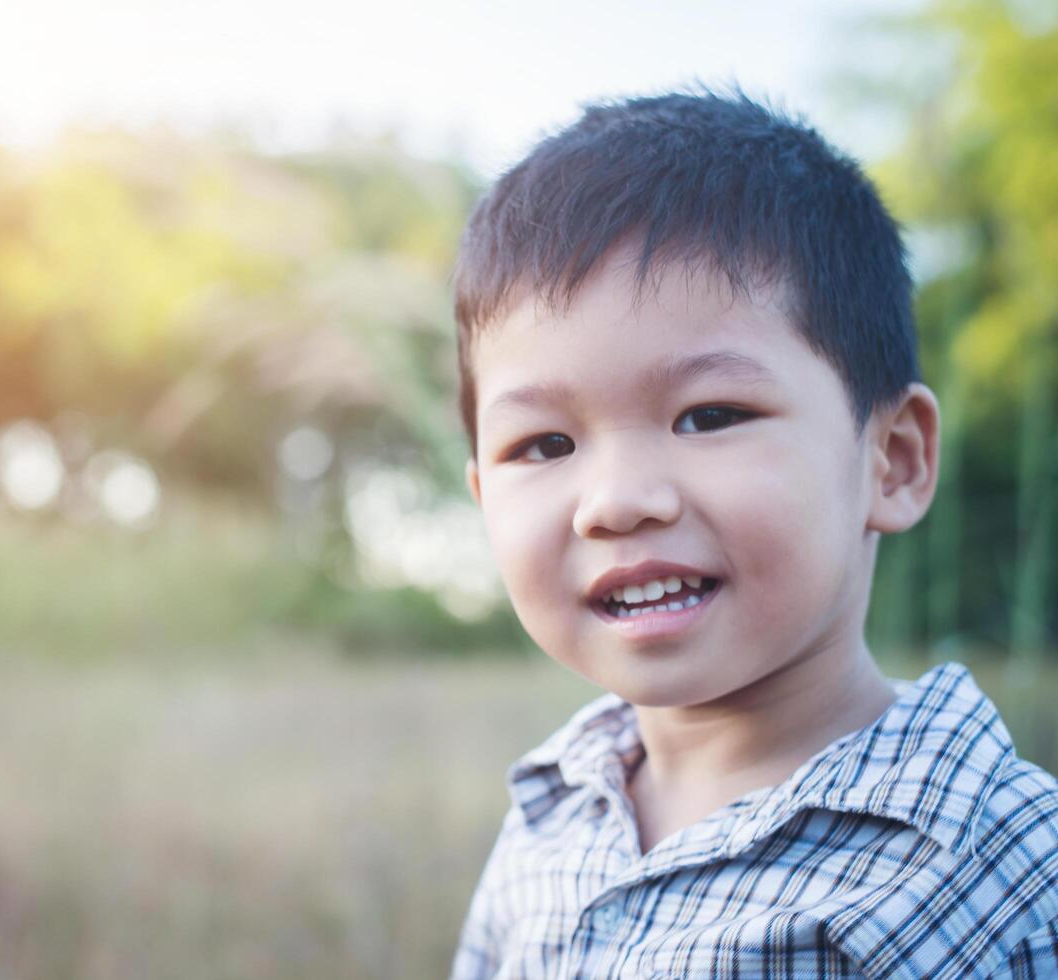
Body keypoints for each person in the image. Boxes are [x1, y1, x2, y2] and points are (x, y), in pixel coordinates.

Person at [448, 88, 1058, 979]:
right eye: (544, 444)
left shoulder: (998, 866)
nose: (615, 502)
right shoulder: (551, 816)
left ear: (890, 460)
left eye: (707, 416)